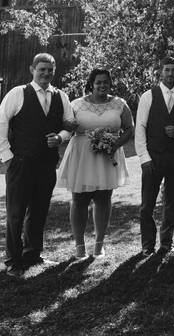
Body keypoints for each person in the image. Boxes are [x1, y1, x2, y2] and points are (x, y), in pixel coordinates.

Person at [0, 53, 76, 278]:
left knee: (39, 211)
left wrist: (60, 138)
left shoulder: (61, 96)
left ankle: (33, 254)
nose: (46, 74)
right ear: (32, 69)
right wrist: (7, 158)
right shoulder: (18, 93)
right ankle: (13, 260)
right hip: (21, 163)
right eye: (42, 69)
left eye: (50, 70)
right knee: (16, 213)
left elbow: (70, 126)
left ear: (54, 71)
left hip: (47, 164)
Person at [57, 68, 133, 259]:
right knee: (80, 200)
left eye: (105, 82)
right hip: (82, 155)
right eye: (98, 82)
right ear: (91, 84)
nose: (102, 85)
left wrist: (115, 145)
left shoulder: (119, 104)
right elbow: (66, 127)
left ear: (110, 83)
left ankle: (99, 244)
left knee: (103, 199)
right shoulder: (76, 104)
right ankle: (79, 246)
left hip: (108, 156)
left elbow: (129, 129)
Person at [135, 57, 174, 256]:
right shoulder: (147, 96)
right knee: (147, 205)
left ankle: (166, 243)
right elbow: (140, 129)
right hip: (153, 157)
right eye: (167, 70)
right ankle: (147, 245)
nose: (170, 74)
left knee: (171, 203)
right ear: (160, 72)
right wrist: (144, 158)